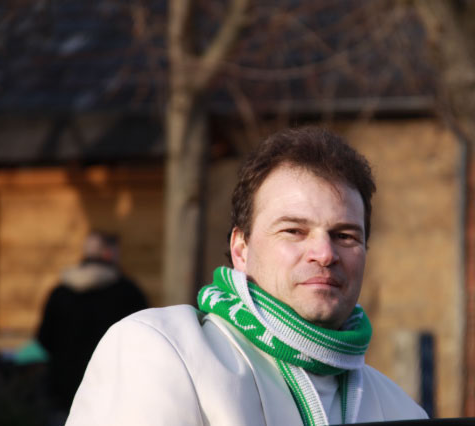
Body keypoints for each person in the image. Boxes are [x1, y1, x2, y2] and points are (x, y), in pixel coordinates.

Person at [67, 127, 428, 425]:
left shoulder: (402, 411)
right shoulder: (164, 353)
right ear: (241, 249)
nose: (325, 253)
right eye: (294, 231)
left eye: (345, 236)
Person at [38, 231, 148, 421]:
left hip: (63, 390)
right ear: (109, 253)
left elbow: (44, 338)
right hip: (111, 390)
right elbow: (143, 340)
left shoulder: (60, 292)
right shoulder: (128, 293)